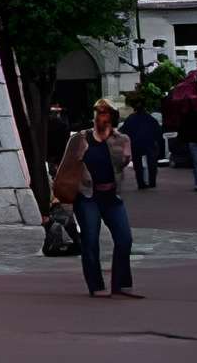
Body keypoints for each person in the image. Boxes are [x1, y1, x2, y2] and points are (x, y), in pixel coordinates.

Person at [53, 100, 140, 298]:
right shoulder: (80, 139)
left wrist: (126, 157)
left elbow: (122, 165)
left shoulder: (121, 139)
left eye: (105, 113)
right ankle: (96, 285)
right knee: (90, 240)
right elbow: (65, 169)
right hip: (87, 196)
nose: (101, 117)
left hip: (111, 196)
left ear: (112, 117)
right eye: (98, 113)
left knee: (125, 239)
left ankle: (122, 284)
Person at [125, 98, 165, 189]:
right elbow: (158, 133)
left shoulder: (130, 119)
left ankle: (141, 183)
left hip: (136, 143)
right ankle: (152, 182)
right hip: (149, 143)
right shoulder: (150, 119)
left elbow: (124, 132)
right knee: (152, 163)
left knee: (138, 164)